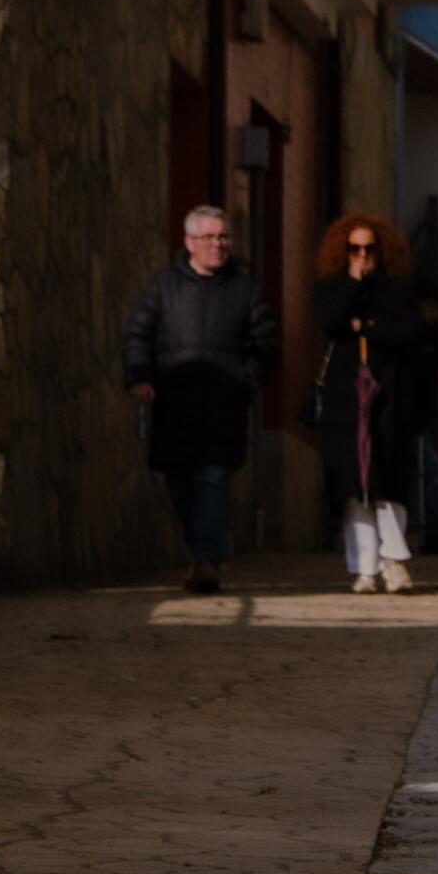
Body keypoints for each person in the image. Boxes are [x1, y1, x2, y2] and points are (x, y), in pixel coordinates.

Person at [123, 203, 278, 593]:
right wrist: (141, 377)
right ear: (189, 242)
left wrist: (246, 380)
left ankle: (207, 561)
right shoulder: (163, 287)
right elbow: (138, 336)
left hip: (224, 407)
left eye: (223, 236)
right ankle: (203, 552)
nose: (218, 244)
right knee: (179, 485)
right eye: (209, 237)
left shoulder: (245, 291)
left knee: (213, 479)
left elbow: (267, 345)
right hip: (174, 405)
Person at [312, 214, 427, 594]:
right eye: (354, 248)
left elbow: (409, 331)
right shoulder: (333, 287)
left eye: (369, 248)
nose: (362, 256)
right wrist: (353, 285)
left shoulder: (397, 288)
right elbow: (331, 321)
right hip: (346, 398)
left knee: (387, 478)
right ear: (343, 251)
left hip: (390, 395)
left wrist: (367, 327)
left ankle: (394, 559)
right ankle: (363, 567)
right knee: (354, 482)